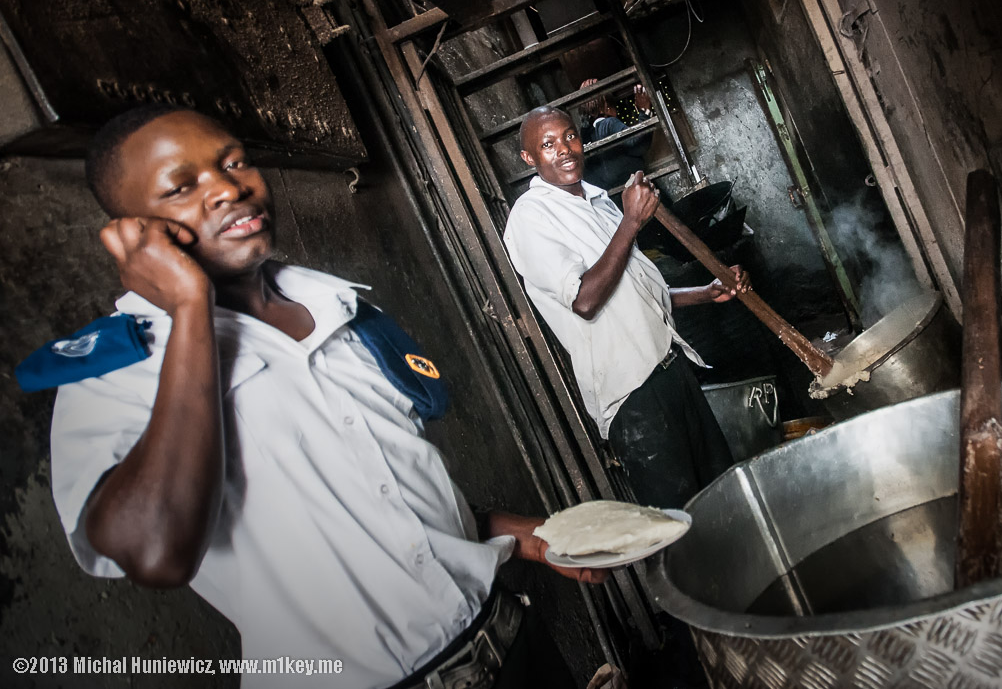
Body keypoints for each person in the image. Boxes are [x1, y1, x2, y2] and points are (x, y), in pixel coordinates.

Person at [36, 104, 605, 689]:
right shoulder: (115, 373)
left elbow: (381, 504)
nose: (228, 188)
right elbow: (157, 551)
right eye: (182, 187)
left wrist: (523, 535)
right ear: (131, 234)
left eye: (234, 162)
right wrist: (188, 307)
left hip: (511, 642)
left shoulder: (342, 309)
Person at [502, 106, 747, 510]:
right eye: (548, 145)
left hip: (671, 367)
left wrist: (705, 292)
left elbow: (634, 291)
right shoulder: (530, 218)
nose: (564, 150)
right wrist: (631, 222)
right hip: (633, 397)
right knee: (683, 525)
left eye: (569, 137)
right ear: (530, 159)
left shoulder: (598, 200)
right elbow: (585, 300)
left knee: (724, 498)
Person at [577, 81, 654, 192]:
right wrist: (644, 111)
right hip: (631, 186)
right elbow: (638, 144)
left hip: (610, 193)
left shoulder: (584, 135)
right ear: (607, 106)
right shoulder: (609, 123)